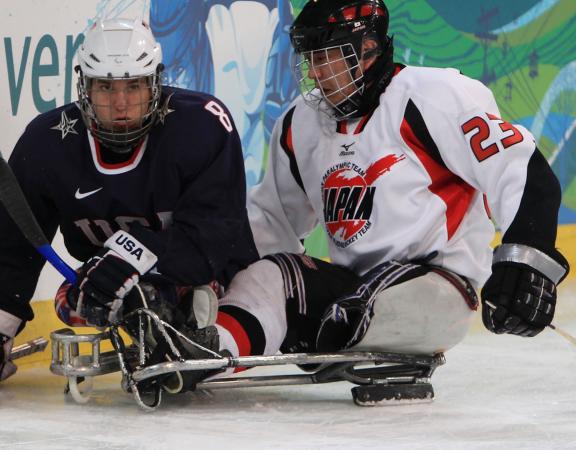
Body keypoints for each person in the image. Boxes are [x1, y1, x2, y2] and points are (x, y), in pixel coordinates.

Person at [151, 0, 569, 390]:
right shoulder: (301, 122)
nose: (314, 73)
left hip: (439, 288)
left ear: (366, 50)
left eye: (326, 56)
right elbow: (270, 223)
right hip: (354, 294)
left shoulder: (432, 96)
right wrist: (210, 279)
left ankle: (339, 328)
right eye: (310, 59)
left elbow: (520, 167)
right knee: (270, 276)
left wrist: (526, 261)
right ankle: (205, 354)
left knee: (355, 309)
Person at [0, 17, 258, 386]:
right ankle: (144, 309)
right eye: (105, 87)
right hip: (115, 288)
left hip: (214, 280)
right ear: (84, 86)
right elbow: (15, 243)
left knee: (184, 292)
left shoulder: (201, 126)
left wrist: (130, 253)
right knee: (73, 298)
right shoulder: (47, 142)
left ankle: (185, 315)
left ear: (155, 83)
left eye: (134, 86)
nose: (121, 104)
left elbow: (213, 238)